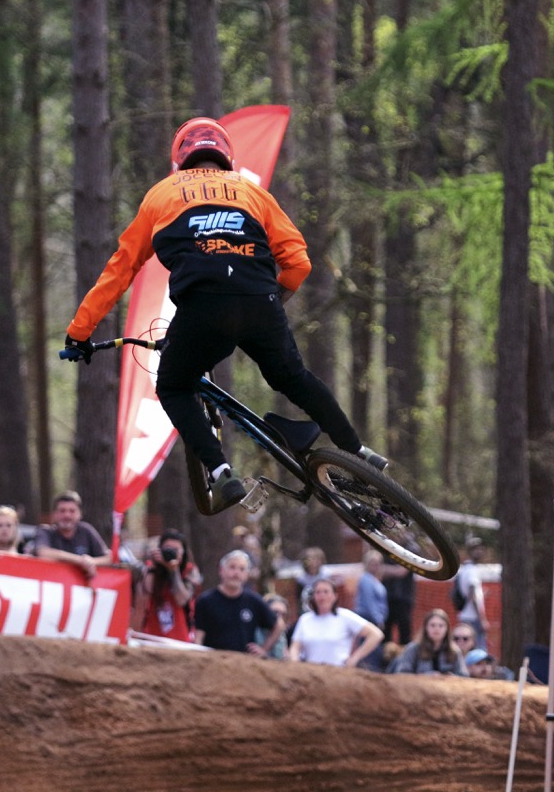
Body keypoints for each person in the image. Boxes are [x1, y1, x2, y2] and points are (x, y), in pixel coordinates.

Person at [62, 116, 386, 512]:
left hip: (203, 308)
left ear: (179, 159)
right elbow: (299, 263)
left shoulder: (161, 195)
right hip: (261, 300)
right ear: (226, 156)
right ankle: (358, 451)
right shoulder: (252, 192)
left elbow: (120, 270)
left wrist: (80, 332)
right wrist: (271, 302)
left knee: (174, 386)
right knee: (293, 377)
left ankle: (221, 472)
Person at [193, 549, 284, 655]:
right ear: (221, 570)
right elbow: (198, 635)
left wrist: (264, 649)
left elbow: (278, 625)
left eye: (242, 569)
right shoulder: (205, 601)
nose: (236, 573)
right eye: (232, 567)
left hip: (244, 661)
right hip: (213, 659)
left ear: (246, 574)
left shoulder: (253, 600)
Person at [287, 578, 383, 667]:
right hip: (311, 673)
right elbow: (295, 646)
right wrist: (295, 663)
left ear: (335, 596)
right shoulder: (305, 619)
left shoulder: (345, 616)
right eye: (318, 592)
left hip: (338, 672)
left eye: (326, 592)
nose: (322, 596)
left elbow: (376, 634)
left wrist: (355, 658)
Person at [32, 491, 123, 582]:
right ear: (54, 514)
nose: (67, 515)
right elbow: (43, 553)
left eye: (72, 511)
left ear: (80, 514)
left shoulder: (86, 531)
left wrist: (91, 562)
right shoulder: (45, 531)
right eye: (62, 511)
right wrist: (80, 561)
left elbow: (110, 558)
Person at [140, 528, 202, 642]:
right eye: (167, 549)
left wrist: (174, 571)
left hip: (181, 636)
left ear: (183, 552)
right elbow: (146, 591)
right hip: (152, 634)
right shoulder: (151, 568)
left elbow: (182, 600)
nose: (171, 552)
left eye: (176, 550)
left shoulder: (190, 571)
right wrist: (155, 566)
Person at [387, 608, 467, 676]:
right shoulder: (413, 649)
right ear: (426, 627)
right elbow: (402, 674)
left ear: (447, 629)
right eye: (433, 625)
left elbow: (464, 677)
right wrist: (426, 676)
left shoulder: (454, 651)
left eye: (441, 626)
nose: (437, 629)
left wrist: (451, 678)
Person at [354, 550, 389, 671]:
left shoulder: (375, 579)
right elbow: (370, 602)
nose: (375, 566)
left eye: (378, 563)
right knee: (370, 649)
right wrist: (378, 619)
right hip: (368, 618)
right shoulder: (366, 579)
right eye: (372, 563)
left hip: (374, 618)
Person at [453, 538, 489, 649]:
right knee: (479, 650)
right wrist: (482, 619)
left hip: (465, 616)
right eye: (476, 549)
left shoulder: (464, 569)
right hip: (473, 618)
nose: (479, 551)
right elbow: (472, 595)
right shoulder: (472, 570)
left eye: (481, 548)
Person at [381, 555, 416, 645]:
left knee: (405, 632)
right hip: (386, 599)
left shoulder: (411, 549)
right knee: (384, 632)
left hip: (404, 599)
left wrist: (384, 569)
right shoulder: (384, 549)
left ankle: (405, 652)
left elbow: (401, 571)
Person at [257, 594, 291, 660]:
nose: (279, 617)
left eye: (283, 614)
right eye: (275, 612)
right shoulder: (254, 630)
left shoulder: (282, 636)